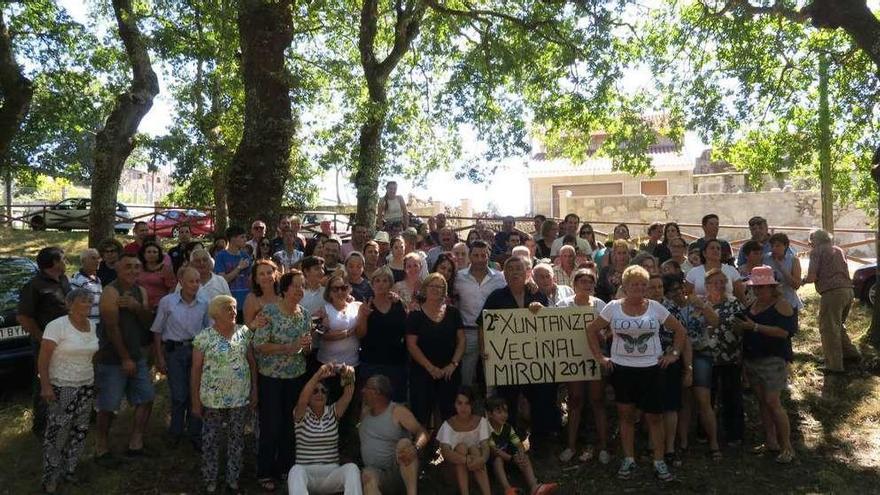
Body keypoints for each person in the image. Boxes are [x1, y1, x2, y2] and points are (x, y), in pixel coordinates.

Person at [585, 265, 687, 482]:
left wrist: (675, 354)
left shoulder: (656, 307)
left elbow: (680, 330)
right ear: (625, 286)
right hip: (622, 370)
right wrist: (600, 357)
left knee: (655, 417)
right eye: (634, 285)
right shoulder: (613, 307)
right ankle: (629, 459)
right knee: (626, 416)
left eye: (643, 284)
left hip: (652, 369)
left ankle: (658, 461)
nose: (639, 288)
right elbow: (591, 330)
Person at [480, 257, 560, 439]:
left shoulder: (537, 295)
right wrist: (484, 350)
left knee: (541, 400)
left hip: (535, 362)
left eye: (519, 268)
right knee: (508, 403)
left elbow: (551, 325)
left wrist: (542, 310)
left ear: (526, 273)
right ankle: (509, 444)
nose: (515, 272)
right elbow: (483, 326)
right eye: (511, 269)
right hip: (506, 363)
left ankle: (540, 441)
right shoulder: (496, 297)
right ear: (505, 274)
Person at [253, 270, 314, 491]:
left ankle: (285, 467)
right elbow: (259, 344)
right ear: (285, 288)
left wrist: (305, 347)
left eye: (302, 286)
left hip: (296, 377)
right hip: (272, 378)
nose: (299, 290)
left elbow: (305, 349)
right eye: (296, 285)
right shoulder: (269, 312)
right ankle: (265, 471)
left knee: (290, 424)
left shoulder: (305, 314)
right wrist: (285, 347)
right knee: (271, 424)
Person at [191, 295, 258, 494]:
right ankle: (210, 479)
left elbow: (252, 364)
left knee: (236, 440)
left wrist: (254, 391)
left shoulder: (244, 332)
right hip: (212, 400)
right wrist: (195, 402)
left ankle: (233, 480)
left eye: (235, 308)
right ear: (216, 313)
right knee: (211, 441)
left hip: (240, 398)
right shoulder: (204, 337)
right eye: (228, 308)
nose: (233, 312)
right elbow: (195, 370)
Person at [37, 289, 99, 494]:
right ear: (70, 303)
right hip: (62, 386)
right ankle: (50, 479)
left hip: (86, 386)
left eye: (90, 302)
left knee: (80, 431)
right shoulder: (57, 326)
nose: (88, 305)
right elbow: (43, 358)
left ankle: (69, 470)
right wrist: (45, 386)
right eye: (83, 301)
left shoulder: (93, 326)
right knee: (57, 434)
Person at [94, 253, 154, 463]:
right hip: (112, 359)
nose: (133, 270)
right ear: (118, 268)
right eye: (128, 266)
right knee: (108, 406)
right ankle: (101, 447)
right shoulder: (110, 292)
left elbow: (148, 322)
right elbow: (112, 329)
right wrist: (125, 358)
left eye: (137, 266)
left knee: (146, 399)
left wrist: (136, 307)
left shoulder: (141, 291)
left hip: (137, 355)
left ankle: (135, 444)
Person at [733, 266, 796, 463]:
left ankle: (787, 446)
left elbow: (784, 332)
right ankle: (771, 441)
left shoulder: (781, 304)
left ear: (772, 287)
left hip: (773, 360)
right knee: (762, 402)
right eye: (755, 287)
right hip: (752, 359)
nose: (758, 291)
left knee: (773, 402)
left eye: (762, 287)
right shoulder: (752, 304)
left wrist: (755, 327)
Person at [151, 267, 210, 449]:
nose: (195, 285)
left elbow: (208, 330)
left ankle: (195, 433)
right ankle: (176, 432)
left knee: (197, 393)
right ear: (181, 281)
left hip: (197, 351)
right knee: (179, 395)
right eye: (191, 281)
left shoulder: (204, 302)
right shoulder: (167, 302)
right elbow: (158, 331)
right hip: (175, 352)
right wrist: (159, 357)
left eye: (198, 281)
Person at [555, 268, 610, 464]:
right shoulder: (562, 305)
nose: (587, 286)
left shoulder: (601, 305)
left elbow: (609, 332)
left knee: (597, 401)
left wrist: (602, 337)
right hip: (573, 362)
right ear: (574, 285)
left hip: (595, 360)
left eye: (590, 282)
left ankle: (603, 446)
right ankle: (571, 446)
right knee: (575, 401)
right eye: (582, 282)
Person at [665, 268, 720, 458]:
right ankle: (683, 442)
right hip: (677, 356)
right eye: (672, 290)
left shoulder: (697, 302)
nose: (678, 292)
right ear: (666, 294)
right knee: (684, 401)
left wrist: (704, 307)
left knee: (703, 399)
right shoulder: (667, 310)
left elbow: (715, 321)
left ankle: (714, 444)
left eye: (680, 288)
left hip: (701, 353)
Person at [18, 246, 71, 436]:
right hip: (46, 344)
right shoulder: (34, 285)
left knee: (64, 381)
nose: (66, 262)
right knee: (44, 382)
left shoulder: (64, 280)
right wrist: (43, 339)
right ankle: (41, 428)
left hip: (66, 341)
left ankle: (62, 420)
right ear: (55, 262)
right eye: (63, 259)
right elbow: (24, 317)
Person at [288, 364, 361, 495]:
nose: (319, 394)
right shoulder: (301, 413)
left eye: (323, 391)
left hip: (331, 474)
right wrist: (318, 374)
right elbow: (303, 398)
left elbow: (348, 394)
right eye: (315, 391)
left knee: (352, 469)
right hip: (307, 474)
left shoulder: (333, 412)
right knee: (295, 471)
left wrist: (348, 374)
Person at [406, 273, 466, 426]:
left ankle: (448, 448)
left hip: (449, 373)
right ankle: (423, 449)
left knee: (450, 416)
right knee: (421, 416)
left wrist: (453, 365)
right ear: (425, 289)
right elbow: (411, 345)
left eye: (440, 287)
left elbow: (462, 340)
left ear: (445, 291)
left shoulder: (453, 313)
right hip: (422, 373)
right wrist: (430, 368)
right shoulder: (415, 315)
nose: (435, 289)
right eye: (432, 286)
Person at [802, 229, 861, 372]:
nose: (810, 244)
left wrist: (802, 280)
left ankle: (834, 365)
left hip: (832, 293)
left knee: (828, 328)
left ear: (815, 240)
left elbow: (812, 277)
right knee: (838, 324)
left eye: (811, 241)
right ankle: (850, 353)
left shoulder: (817, 252)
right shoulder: (838, 250)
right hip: (848, 290)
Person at [359, 375, 430, 495]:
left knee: (405, 444)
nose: (363, 391)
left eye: (366, 388)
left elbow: (422, 432)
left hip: (399, 472)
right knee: (367, 475)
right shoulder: (365, 413)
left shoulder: (396, 411)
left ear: (377, 392)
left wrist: (416, 448)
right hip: (378, 474)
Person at [454, 240, 506, 387]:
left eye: (483, 255)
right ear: (470, 256)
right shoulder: (458, 277)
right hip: (468, 332)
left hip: (492, 333)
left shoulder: (499, 278)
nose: (480, 259)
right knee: (465, 378)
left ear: (488, 256)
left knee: (492, 377)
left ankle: (492, 407)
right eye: (476, 255)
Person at [705, 270, 747, 447]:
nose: (720, 285)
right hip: (708, 358)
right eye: (716, 282)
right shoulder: (701, 304)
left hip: (731, 357)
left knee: (732, 396)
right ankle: (705, 433)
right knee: (708, 398)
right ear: (707, 286)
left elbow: (741, 329)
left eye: (723, 282)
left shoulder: (734, 303)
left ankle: (734, 434)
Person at [485, 396, 558, 495]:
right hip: (490, 463)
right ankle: (508, 489)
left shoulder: (507, 427)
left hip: (508, 459)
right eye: (499, 412)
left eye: (505, 411)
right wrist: (512, 458)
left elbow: (518, 443)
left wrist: (521, 453)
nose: (504, 415)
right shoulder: (486, 430)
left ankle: (534, 486)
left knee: (524, 456)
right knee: (497, 460)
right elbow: (494, 450)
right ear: (489, 414)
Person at [357, 267, 409, 403]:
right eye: (377, 280)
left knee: (396, 404)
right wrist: (363, 316)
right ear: (372, 284)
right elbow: (360, 334)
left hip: (395, 363)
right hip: (371, 362)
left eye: (385, 281)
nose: (381, 284)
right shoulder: (366, 305)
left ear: (391, 284)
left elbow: (405, 331)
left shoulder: (398, 305)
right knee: (370, 404)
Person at [437, 387, 492, 495]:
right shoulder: (448, 425)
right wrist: (465, 459)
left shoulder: (481, 422)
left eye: (467, 403)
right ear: (455, 405)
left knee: (474, 449)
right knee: (461, 447)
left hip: (478, 467)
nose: (463, 407)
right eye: (460, 403)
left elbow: (485, 446)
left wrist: (482, 459)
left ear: (472, 405)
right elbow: (446, 452)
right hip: (454, 470)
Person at [318, 274, 364, 401]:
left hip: (352, 364)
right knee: (330, 402)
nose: (340, 291)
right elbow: (323, 335)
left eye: (343, 288)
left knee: (350, 403)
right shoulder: (323, 310)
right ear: (329, 292)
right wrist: (348, 333)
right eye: (335, 289)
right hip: (329, 366)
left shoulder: (356, 306)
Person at [213, 226, 253, 320]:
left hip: (246, 302)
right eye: (242, 237)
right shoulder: (221, 256)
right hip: (228, 303)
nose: (245, 240)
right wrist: (239, 268)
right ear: (233, 239)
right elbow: (223, 280)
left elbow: (250, 278)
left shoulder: (245, 256)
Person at [763, 233, 803, 320]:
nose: (774, 249)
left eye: (777, 246)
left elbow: (796, 285)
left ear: (785, 246)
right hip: (769, 304)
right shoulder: (765, 259)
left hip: (789, 302)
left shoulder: (793, 260)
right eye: (772, 246)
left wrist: (781, 267)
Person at [138, 240, 177, 310]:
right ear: (144, 254)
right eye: (149, 252)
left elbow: (172, 288)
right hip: (140, 305)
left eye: (155, 252)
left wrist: (165, 303)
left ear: (159, 254)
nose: (151, 254)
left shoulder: (165, 268)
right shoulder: (138, 267)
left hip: (159, 306)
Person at [243, 259, 280, 329]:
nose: (266, 276)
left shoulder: (284, 295)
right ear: (256, 280)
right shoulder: (251, 299)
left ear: (275, 275)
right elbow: (246, 329)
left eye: (269, 273)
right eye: (261, 274)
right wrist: (254, 324)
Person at [70, 248, 102, 325]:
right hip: (85, 324)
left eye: (98, 258)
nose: (97, 261)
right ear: (83, 261)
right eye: (93, 258)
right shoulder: (77, 279)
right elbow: (73, 303)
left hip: (98, 323)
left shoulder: (98, 279)